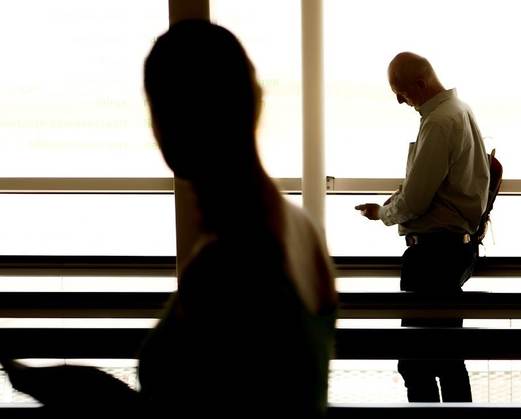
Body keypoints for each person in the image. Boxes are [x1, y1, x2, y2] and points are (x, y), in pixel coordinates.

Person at [3, 20, 338, 418]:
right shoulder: (301, 229)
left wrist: (79, 390)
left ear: (174, 121)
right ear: (252, 104)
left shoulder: (229, 260)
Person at [354, 52, 489, 403]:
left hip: (433, 254)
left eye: (401, 91)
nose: (400, 100)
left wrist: (383, 213)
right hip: (456, 247)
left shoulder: (439, 122)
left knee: (415, 360)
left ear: (420, 83)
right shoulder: (461, 111)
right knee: (446, 355)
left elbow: (416, 200)